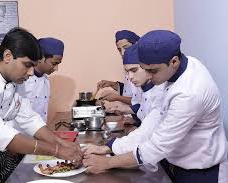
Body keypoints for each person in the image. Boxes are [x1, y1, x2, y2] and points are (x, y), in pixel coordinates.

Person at [84, 30, 228, 183]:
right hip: (177, 164)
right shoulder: (174, 70)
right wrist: (110, 147)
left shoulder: (189, 93)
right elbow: (151, 124)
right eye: (143, 68)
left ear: (174, 61)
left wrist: (107, 163)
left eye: (152, 71)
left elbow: (157, 147)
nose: (147, 75)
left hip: (201, 173)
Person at [0, 27, 82, 182]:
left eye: (34, 66)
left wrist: (61, 142)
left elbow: (29, 118)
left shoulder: (15, 80)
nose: (31, 73)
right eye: (27, 65)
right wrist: (56, 150)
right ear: (8, 56)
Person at [82, 43, 165, 173]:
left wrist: (107, 155)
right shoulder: (149, 88)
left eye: (134, 70)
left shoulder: (164, 93)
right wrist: (107, 148)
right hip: (155, 151)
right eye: (128, 72)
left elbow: (146, 135)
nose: (130, 77)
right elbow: (144, 125)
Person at [17, 37, 64, 122]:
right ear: (41, 57)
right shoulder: (21, 79)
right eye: (54, 63)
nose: (56, 68)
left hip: (38, 131)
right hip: (19, 133)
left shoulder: (45, 79)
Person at [97, 30, 140, 105]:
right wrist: (113, 84)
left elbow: (141, 101)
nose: (123, 53)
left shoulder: (143, 67)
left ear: (136, 44)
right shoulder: (129, 64)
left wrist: (117, 98)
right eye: (119, 50)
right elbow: (130, 90)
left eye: (126, 47)